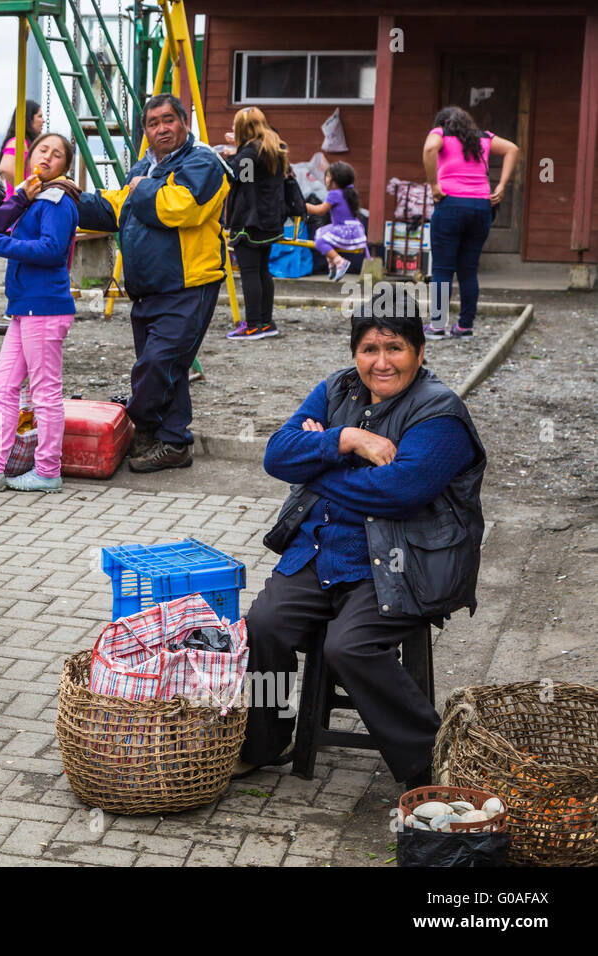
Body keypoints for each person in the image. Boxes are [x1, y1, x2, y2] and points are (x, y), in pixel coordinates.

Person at [236, 307, 485, 789]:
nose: (382, 362)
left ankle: (434, 765)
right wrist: (349, 437)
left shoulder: (440, 412)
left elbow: (398, 492)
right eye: (370, 349)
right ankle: (265, 744)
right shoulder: (337, 389)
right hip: (321, 555)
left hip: (399, 566)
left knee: (348, 646)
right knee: (263, 625)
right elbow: (276, 454)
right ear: (356, 354)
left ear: (419, 352)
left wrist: (321, 459)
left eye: (395, 348)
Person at [77, 93, 230, 473]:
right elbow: (117, 207)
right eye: (152, 123)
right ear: (145, 131)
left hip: (189, 287)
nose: (161, 128)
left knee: (156, 365)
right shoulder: (145, 166)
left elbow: (181, 208)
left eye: (168, 120)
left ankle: (139, 423)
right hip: (146, 290)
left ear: (184, 123)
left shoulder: (204, 162)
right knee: (167, 368)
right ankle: (173, 442)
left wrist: (140, 189)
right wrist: (71, 200)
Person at [0, 133, 80, 493]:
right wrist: (15, 200)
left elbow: (51, 250)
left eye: (57, 155)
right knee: (2, 385)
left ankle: (48, 470)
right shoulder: (32, 196)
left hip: (45, 307)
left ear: (64, 168)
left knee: (44, 391)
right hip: (24, 307)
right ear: (30, 155)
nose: (48, 157)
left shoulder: (58, 200)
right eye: (43, 150)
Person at [422, 106, 519, 339]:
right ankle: (465, 327)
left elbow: (428, 149)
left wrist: (434, 185)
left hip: (451, 205)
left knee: (442, 270)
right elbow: (512, 149)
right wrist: (501, 185)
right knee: (468, 270)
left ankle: (437, 326)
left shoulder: (441, 134)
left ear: (443, 123)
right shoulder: (484, 138)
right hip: (481, 208)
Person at [222, 107, 289, 341]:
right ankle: (266, 322)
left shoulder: (250, 153)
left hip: (250, 221)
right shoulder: (273, 148)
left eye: (235, 126)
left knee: (250, 272)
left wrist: (230, 157)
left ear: (243, 128)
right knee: (262, 271)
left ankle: (252, 326)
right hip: (270, 219)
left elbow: (242, 177)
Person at [305, 162, 367, 282]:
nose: (325, 179)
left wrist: (305, 206)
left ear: (336, 179)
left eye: (328, 176)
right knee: (320, 233)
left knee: (319, 242)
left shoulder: (334, 194)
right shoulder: (348, 192)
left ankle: (340, 261)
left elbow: (321, 210)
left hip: (343, 229)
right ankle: (332, 262)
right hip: (353, 229)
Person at [0, 99, 44, 198]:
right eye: (39, 116)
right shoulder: (19, 142)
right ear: (29, 119)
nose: (43, 120)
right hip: (18, 203)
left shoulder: (27, 143)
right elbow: (5, 167)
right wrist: (24, 189)